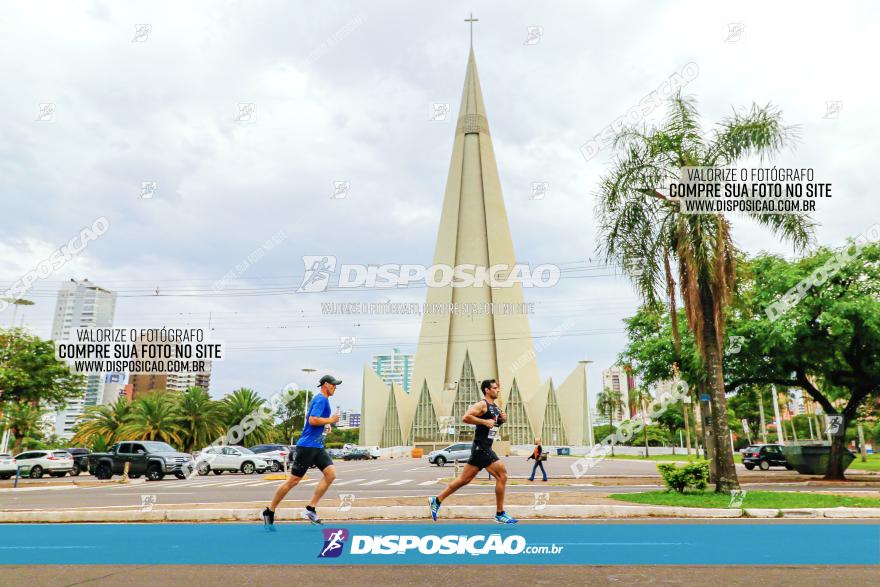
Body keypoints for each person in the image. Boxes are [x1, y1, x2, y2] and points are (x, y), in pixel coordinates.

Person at [429, 379, 517, 524]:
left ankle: (437, 500)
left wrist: (501, 420)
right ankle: (500, 513)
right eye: (495, 388)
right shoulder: (482, 404)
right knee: (502, 475)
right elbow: (466, 417)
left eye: (498, 388)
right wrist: (484, 421)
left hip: (481, 447)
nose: (498, 390)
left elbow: (492, 426)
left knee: (464, 480)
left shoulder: (495, 407)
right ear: (487, 390)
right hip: (482, 447)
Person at [262, 374, 341, 527]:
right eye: (334, 385)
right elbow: (312, 419)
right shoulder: (321, 399)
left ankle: (310, 509)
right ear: (326, 385)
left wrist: (326, 425)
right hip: (307, 446)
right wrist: (330, 420)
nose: (335, 387)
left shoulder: (323, 400)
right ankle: (269, 511)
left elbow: (315, 421)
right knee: (293, 481)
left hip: (317, 447)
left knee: (330, 475)